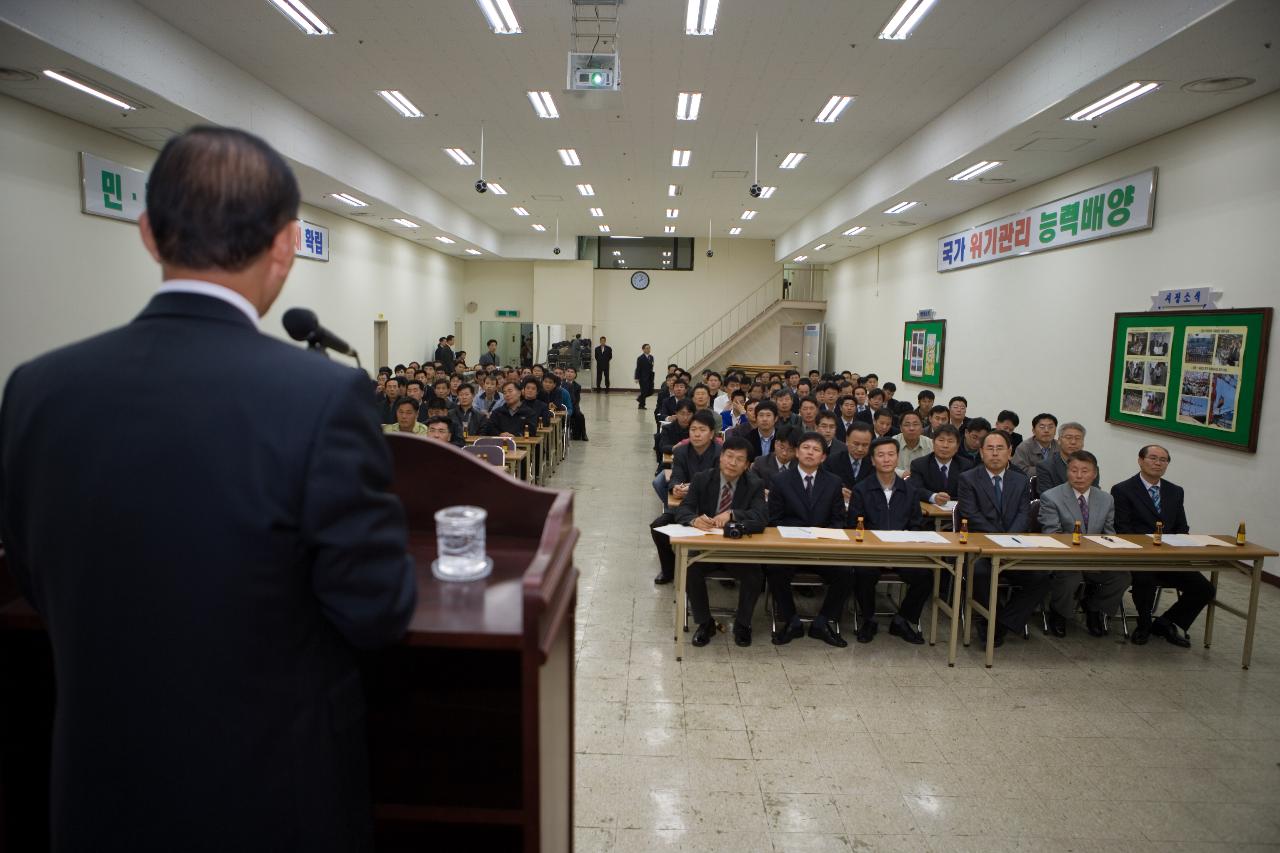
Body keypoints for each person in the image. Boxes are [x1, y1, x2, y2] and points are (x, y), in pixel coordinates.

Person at [0, 126, 415, 851]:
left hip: (93, 794)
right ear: (286, 245)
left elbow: (33, 579)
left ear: (149, 233)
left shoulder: (37, 390)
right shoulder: (322, 395)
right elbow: (376, 611)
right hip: (266, 802)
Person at [1111, 445, 1214, 647]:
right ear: (1140, 460)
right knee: (1145, 580)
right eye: (1153, 458)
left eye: (1163, 460)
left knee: (1204, 589)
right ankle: (1144, 623)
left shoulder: (1175, 491)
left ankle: (1167, 621)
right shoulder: (1122, 490)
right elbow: (1123, 529)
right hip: (1139, 557)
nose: (1158, 463)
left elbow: (1181, 527)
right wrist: (1151, 546)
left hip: (1169, 557)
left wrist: (1174, 546)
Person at [957, 430, 1051, 648]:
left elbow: (1023, 514)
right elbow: (971, 515)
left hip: (1012, 547)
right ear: (981, 453)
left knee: (1041, 576)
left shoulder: (1020, 480)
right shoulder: (968, 479)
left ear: (1010, 452)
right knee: (981, 572)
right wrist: (998, 540)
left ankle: (1002, 622)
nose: (995, 453)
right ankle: (986, 619)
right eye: (989, 448)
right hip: (981, 548)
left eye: (1000, 448)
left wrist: (1008, 540)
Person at [674, 437, 768, 648]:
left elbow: (761, 518)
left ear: (747, 465)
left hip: (738, 551)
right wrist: (693, 519)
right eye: (729, 456)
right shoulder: (702, 479)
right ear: (721, 458)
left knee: (755, 574)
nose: (732, 463)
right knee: (690, 569)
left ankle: (743, 624)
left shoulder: (754, 484)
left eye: (739, 459)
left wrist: (733, 514)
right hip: (706, 549)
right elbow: (682, 509)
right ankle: (705, 623)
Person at [766, 432, 853, 647]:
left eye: (816, 449)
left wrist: (820, 537)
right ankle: (792, 621)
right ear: (796, 452)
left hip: (822, 549)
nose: (810, 452)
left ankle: (822, 623)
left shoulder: (833, 482)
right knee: (773, 568)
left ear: (823, 457)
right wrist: (802, 533)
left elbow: (838, 519)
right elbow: (774, 519)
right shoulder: (780, 480)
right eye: (805, 447)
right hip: (790, 547)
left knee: (847, 572)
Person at [849, 438, 934, 645]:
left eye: (891, 454)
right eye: (880, 455)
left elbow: (916, 526)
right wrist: (878, 552)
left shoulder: (910, 491)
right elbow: (854, 526)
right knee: (862, 573)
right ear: (872, 460)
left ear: (897, 458)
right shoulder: (861, 489)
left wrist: (899, 551)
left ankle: (902, 619)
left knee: (926, 576)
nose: (886, 459)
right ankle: (868, 619)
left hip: (902, 552)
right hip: (871, 553)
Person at [1038, 450, 1127, 638]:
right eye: (1074, 470)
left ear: (1094, 474)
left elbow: (1109, 534)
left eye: (1085, 471)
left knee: (1122, 576)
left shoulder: (1106, 498)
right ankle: (1059, 613)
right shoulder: (1051, 497)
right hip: (1066, 558)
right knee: (1070, 576)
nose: (1079, 476)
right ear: (1067, 472)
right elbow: (1053, 534)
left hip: (1096, 558)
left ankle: (1094, 608)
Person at [651, 411, 721, 584]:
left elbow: (718, 482)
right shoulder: (682, 451)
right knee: (658, 526)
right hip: (688, 508)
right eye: (693, 429)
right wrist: (675, 487)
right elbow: (676, 475)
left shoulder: (721, 452)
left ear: (712, 433)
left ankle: (721, 568)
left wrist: (692, 487)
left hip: (715, 508)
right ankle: (669, 570)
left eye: (702, 430)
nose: (696, 434)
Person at [909, 424, 971, 506]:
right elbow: (916, 489)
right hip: (929, 516)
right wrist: (934, 497)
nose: (945, 445)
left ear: (957, 447)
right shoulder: (919, 465)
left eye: (950, 441)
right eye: (941, 440)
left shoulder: (966, 466)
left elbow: (968, 492)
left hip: (958, 514)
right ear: (933, 443)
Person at [1035, 422, 1097, 492]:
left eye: (1078, 438)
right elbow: (1046, 496)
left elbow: (1094, 494)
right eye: (1068, 437)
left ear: (1083, 442)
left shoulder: (1091, 466)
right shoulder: (1045, 466)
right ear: (1059, 441)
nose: (1073, 442)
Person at [750, 424, 798, 491]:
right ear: (775, 444)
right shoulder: (760, 463)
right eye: (782, 447)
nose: (784, 453)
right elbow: (752, 486)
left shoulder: (800, 465)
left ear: (797, 451)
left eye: (790, 450)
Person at [565, 366, 588, 441]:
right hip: (563, 406)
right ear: (565, 373)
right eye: (568, 371)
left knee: (580, 415)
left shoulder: (577, 386)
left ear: (575, 375)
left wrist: (572, 408)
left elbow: (577, 399)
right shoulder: (561, 383)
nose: (569, 373)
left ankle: (584, 434)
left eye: (572, 372)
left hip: (574, 406)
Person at [635, 343, 655, 409]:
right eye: (647, 348)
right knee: (644, 391)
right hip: (642, 377)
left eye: (649, 348)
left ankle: (639, 398)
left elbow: (651, 367)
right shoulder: (640, 358)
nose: (648, 349)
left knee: (651, 391)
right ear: (643, 349)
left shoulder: (651, 357)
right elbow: (638, 368)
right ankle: (641, 405)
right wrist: (637, 377)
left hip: (650, 377)